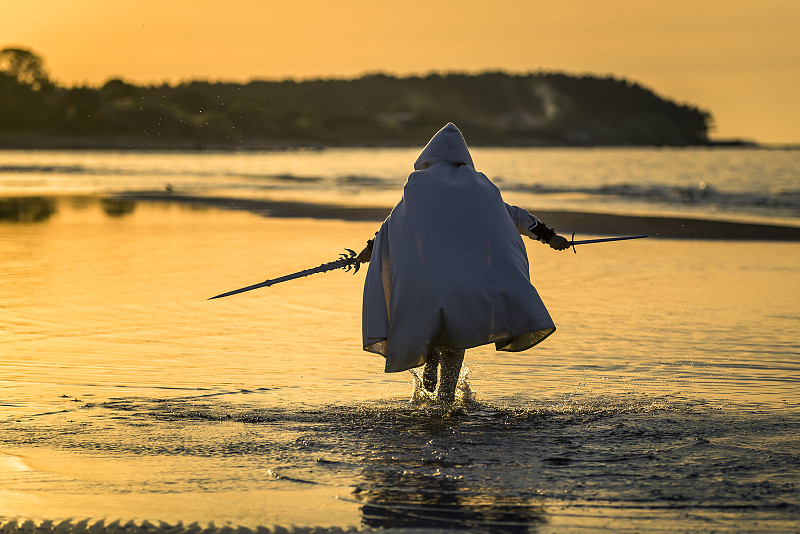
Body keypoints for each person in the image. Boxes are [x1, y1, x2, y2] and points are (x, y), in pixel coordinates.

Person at [356, 123, 570, 404]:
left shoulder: (417, 187)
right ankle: (447, 401)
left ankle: (429, 364)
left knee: (431, 329)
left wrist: (368, 250)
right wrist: (550, 237)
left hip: (427, 287)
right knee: (455, 340)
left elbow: (392, 226)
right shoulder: (480, 187)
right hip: (466, 287)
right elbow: (515, 216)